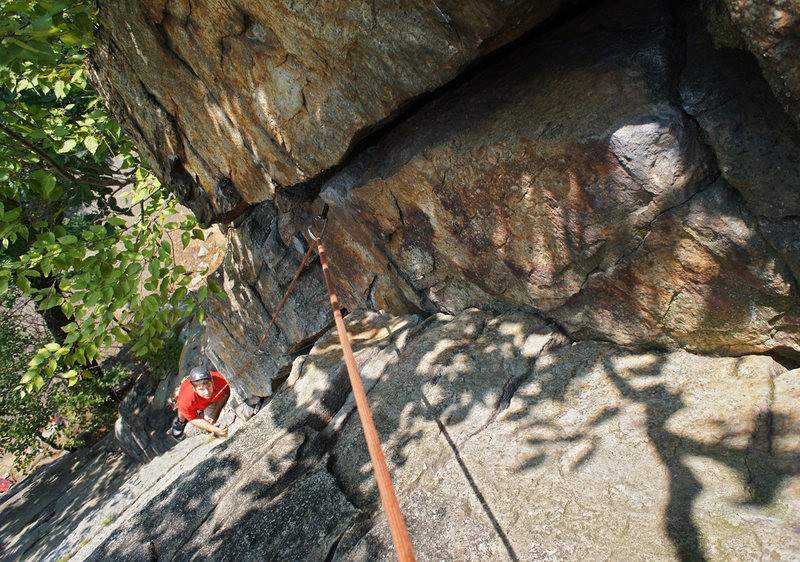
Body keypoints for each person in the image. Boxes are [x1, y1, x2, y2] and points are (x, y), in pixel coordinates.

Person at [170, 366, 230, 438]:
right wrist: (211, 428)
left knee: (209, 422)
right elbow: (192, 417)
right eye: (202, 389)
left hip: (212, 400)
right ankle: (180, 422)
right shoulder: (186, 399)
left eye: (208, 387)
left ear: (212, 382)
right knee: (182, 410)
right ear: (194, 388)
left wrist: (214, 415)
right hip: (187, 396)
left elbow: (226, 393)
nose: (207, 392)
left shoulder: (221, 380)